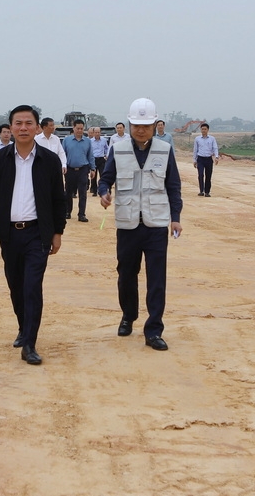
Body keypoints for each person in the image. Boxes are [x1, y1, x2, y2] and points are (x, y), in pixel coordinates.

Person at [0, 105, 66, 365]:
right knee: (15, 286)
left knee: (32, 287)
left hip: (38, 234)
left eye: (29, 123)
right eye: (18, 123)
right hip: (9, 234)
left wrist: (58, 231)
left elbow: (58, 200)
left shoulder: (49, 161)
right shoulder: (0, 158)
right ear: (10, 128)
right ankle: (23, 327)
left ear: (37, 128)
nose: (24, 128)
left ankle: (29, 343)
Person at [98, 98, 182, 352]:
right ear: (130, 124)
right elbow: (107, 178)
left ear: (154, 124)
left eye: (146, 125)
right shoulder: (119, 148)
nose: (141, 130)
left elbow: (173, 186)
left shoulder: (165, 151)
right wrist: (103, 192)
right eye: (137, 125)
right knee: (126, 276)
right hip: (128, 224)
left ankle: (154, 329)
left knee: (157, 279)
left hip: (156, 224)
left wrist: (175, 217)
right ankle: (128, 315)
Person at [62, 120, 95, 222]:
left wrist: (93, 168)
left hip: (83, 170)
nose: (80, 130)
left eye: (81, 128)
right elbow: (62, 155)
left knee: (83, 193)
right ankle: (68, 212)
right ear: (73, 128)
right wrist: (62, 166)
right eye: (78, 128)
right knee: (68, 192)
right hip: (70, 170)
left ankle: (81, 214)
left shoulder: (87, 141)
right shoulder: (66, 141)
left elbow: (90, 156)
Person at [193, 123, 220, 197]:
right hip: (200, 159)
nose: (204, 130)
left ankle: (207, 192)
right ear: (200, 130)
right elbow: (195, 150)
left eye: (205, 129)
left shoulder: (212, 139)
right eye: (202, 129)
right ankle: (201, 190)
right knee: (200, 174)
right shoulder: (197, 139)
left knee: (208, 176)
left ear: (208, 130)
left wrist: (216, 157)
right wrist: (194, 160)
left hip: (208, 159)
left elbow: (215, 148)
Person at [88, 126, 109, 196]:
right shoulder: (90, 141)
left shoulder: (104, 140)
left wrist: (106, 155)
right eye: (96, 132)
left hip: (101, 159)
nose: (97, 134)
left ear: (100, 133)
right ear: (93, 133)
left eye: (98, 132)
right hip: (93, 159)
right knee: (93, 176)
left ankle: (102, 190)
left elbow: (106, 148)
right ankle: (94, 191)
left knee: (102, 175)